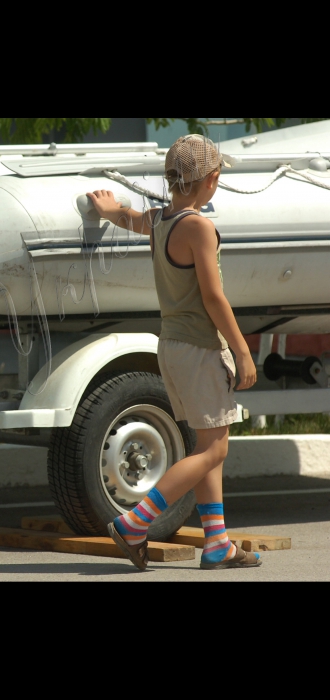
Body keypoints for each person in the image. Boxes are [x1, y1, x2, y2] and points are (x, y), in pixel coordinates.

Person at [87, 134, 262, 571]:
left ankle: (217, 542)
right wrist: (241, 350)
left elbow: (132, 218)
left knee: (210, 441)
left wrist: (109, 211)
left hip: (172, 346)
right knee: (214, 451)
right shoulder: (198, 226)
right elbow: (214, 297)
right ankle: (135, 522)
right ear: (213, 180)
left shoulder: (163, 220)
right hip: (201, 348)